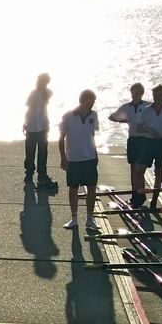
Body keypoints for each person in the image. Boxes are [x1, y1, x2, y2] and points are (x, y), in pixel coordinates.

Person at [58, 89, 100, 233]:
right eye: (90, 100)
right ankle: (74, 219)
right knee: (73, 188)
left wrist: (95, 153)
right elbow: (61, 138)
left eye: (93, 100)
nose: (92, 103)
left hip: (89, 158)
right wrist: (63, 157)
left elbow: (92, 134)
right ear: (82, 100)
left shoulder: (93, 115)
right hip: (74, 159)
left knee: (92, 188)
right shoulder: (68, 116)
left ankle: (90, 219)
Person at [108, 82, 148, 208]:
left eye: (138, 93)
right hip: (132, 139)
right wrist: (125, 120)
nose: (135, 95)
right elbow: (112, 117)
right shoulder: (126, 107)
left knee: (139, 169)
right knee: (132, 168)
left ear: (141, 93)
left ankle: (140, 194)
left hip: (144, 139)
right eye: (133, 92)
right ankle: (134, 194)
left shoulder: (148, 106)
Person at [22, 73, 56, 190]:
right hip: (33, 126)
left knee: (41, 152)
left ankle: (41, 173)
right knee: (31, 151)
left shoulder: (46, 93)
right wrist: (25, 122)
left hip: (42, 126)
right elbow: (29, 109)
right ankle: (30, 172)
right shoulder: (34, 93)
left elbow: (31, 107)